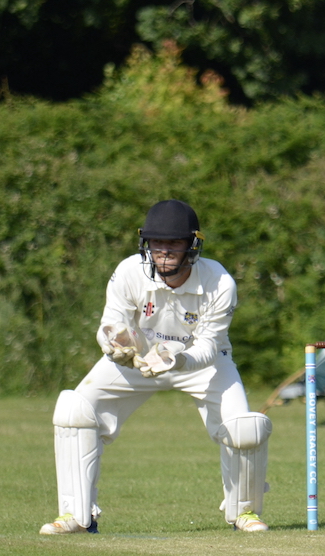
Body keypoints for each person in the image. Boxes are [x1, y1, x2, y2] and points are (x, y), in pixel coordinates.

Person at [39, 200, 271, 534]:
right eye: (157, 242)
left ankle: (244, 512)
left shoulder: (220, 282)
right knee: (75, 411)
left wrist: (179, 360)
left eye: (174, 242)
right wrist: (115, 346)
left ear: (192, 245)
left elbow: (209, 344)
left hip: (201, 364)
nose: (163, 250)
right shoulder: (129, 272)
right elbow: (111, 322)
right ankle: (76, 515)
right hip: (138, 361)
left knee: (243, 428)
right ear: (146, 243)